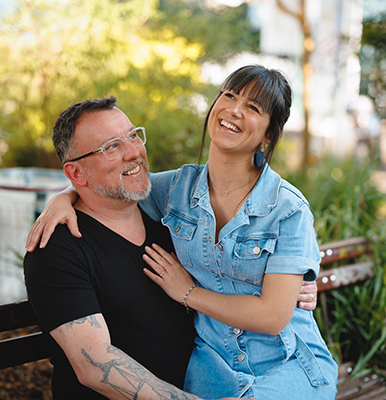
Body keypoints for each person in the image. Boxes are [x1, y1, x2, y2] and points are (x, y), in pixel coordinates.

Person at [26, 65, 335, 399]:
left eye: (253, 107)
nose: (133, 152)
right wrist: (62, 198)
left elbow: (273, 316)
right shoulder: (175, 194)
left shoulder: (283, 208)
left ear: (269, 135)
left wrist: (189, 293)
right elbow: (110, 184)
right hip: (212, 375)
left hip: (281, 363)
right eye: (229, 95)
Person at [24, 97, 244, 400]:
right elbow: (95, 364)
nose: (134, 153)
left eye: (132, 136)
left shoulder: (169, 221)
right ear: (76, 175)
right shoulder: (57, 248)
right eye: (111, 147)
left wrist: (287, 283)